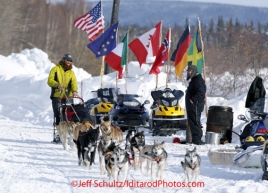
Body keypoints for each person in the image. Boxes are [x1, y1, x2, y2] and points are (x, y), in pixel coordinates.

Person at [47, 54, 79, 143]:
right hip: (57, 95)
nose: (69, 62)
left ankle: (69, 133)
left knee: (68, 114)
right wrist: (57, 84)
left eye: (70, 61)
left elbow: (74, 83)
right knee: (58, 113)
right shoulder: (55, 69)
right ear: (63, 60)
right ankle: (58, 133)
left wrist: (74, 91)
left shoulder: (71, 73)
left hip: (67, 96)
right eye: (67, 60)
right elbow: (50, 80)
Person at [185, 65, 206, 145]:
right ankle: (195, 139)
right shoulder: (194, 80)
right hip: (192, 106)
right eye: (188, 71)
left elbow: (201, 92)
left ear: (194, 71)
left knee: (195, 121)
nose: (189, 73)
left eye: (191, 71)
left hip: (195, 105)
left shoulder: (198, 80)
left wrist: (193, 99)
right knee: (192, 122)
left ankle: (197, 139)